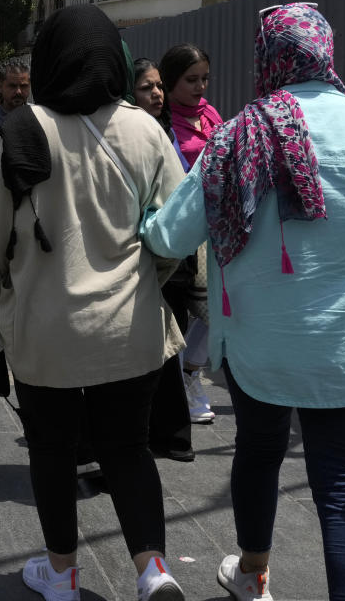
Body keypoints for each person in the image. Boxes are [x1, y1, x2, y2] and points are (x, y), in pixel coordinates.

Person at [141, 3, 345, 600]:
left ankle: (253, 573)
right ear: (324, 52)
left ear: (266, 56)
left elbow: (171, 235)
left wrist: (139, 216)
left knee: (258, 451)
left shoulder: (234, 136)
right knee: (343, 491)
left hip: (257, 350)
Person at [0, 5, 186, 601]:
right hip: (131, 327)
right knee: (129, 448)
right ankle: (152, 570)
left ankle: (61, 573)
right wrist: (147, 274)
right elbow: (175, 229)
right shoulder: (145, 129)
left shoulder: (22, 128)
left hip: (47, 331)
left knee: (51, 450)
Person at [133, 58, 214, 437]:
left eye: (159, 86)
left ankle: (173, 414)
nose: (157, 94)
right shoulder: (133, 132)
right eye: (147, 87)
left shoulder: (197, 122)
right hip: (148, 248)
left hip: (184, 246)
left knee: (187, 325)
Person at [158, 43, 222, 170]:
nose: (201, 86)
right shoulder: (161, 121)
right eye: (191, 80)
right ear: (171, 80)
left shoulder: (209, 112)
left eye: (204, 78)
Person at [0, 57, 30, 125]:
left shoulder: (38, 117)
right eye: (12, 86)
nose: (18, 91)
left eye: (23, 86)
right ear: (0, 87)